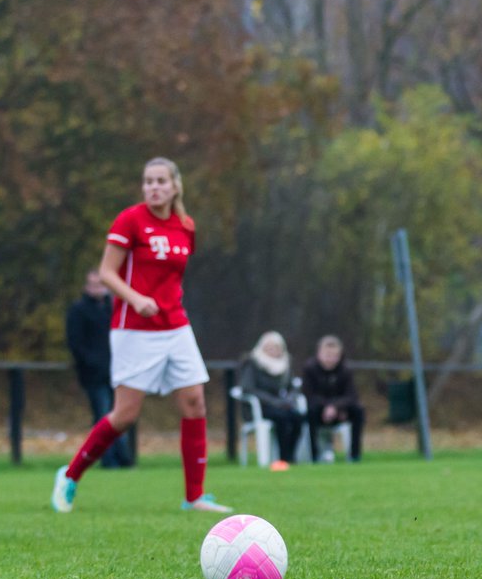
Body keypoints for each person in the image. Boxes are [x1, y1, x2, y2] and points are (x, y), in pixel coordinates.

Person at [50, 157, 231, 513]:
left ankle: (194, 497)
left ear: (176, 186)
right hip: (134, 329)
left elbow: (172, 279)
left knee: (195, 401)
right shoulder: (130, 220)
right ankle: (69, 476)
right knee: (125, 415)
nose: (154, 187)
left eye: (161, 181)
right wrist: (136, 299)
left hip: (176, 325)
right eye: (148, 181)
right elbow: (106, 273)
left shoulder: (185, 226)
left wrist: (164, 303)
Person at [65, 270, 133, 468]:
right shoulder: (79, 310)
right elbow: (75, 342)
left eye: (101, 284)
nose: (98, 288)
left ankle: (124, 458)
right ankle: (108, 459)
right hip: (94, 375)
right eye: (94, 284)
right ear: (86, 287)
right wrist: (92, 363)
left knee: (121, 415)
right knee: (103, 415)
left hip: (116, 372)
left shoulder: (111, 309)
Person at [239, 331, 304, 471]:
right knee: (282, 418)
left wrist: (289, 399)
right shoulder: (252, 362)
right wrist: (275, 402)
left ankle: (290, 457)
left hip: (281, 405)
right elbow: (248, 389)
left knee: (298, 417)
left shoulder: (286, 363)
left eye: (276, 347)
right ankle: (282, 459)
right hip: (261, 407)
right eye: (268, 347)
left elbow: (293, 386)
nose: (272, 350)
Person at [301, 334, 365, 463]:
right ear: (319, 353)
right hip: (318, 411)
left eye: (334, 355)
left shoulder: (345, 370)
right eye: (327, 355)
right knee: (310, 411)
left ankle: (354, 456)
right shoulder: (310, 369)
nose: (331, 359)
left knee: (358, 410)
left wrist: (336, 408)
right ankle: (314, 456)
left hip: (341, 411)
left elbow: (352, 395)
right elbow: (309, 395)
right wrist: (327, 407)